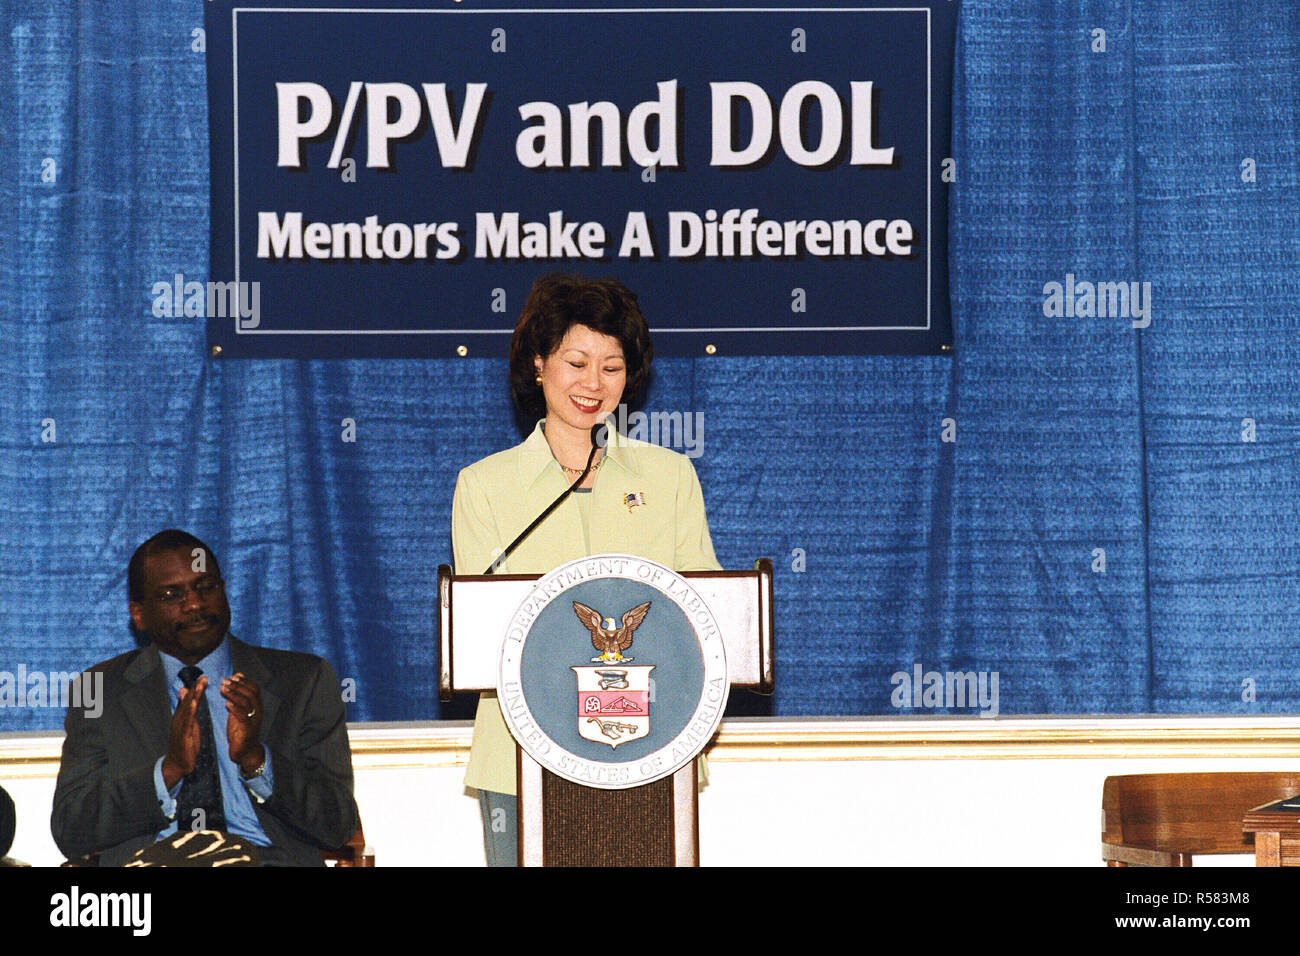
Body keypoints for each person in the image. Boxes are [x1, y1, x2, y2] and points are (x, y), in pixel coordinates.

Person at [452, 274, 720, 866]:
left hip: (650, 748)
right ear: (539, 364)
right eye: (576, 362)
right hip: (521, 756)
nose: (593, 384)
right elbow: (480, 631)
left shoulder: (671, 478)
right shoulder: (485, 486)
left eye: (612, 366)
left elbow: (707, 618)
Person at [51, 529, 358, 866]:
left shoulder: (302, 681)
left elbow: (336, 824)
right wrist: (168, 771)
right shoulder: (99, 689)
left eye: (205, 587)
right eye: (171, 595)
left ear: (224, 591)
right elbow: (72, 829)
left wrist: (257, 759)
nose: (195, 604)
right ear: (138, 614)